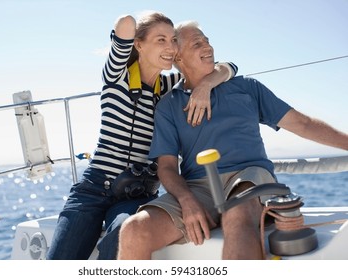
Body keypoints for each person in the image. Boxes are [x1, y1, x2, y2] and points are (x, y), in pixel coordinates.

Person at [116, 21, 348, 260]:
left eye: (207, 40)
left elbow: (303, 124)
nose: (208, 46)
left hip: (248, 176)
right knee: (134, 229)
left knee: (236, 214)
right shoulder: (168, 106)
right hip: (198, 187)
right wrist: (187, 200)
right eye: (197, 43)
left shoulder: (247, 87)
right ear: (179, 59)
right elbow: (166, 167)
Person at [46, 13, 236, 260]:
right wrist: (141, 27)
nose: (170, 47)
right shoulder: (118, 75)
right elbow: (125, 23)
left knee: (120, 239)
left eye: (174, 40)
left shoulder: (169, 85)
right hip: (93, 189)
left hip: (136, 195)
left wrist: (205, 86)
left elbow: (228, 67)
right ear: (138, 44)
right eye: (161, 40)